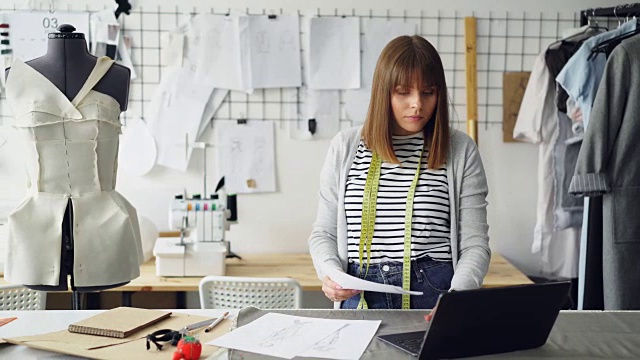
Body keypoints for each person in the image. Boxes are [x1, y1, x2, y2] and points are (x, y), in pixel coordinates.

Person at [308, 35, 490, 310]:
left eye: (428, 92)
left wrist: (457, 299)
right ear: (384, 92)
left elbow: (475, 244)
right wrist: (330, 273)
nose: (417, 103)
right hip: (359, 291)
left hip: (435, 293)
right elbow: (323, 233)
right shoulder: (345, 147)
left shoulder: (460, 149)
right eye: (403, 92)